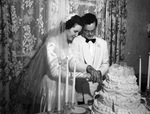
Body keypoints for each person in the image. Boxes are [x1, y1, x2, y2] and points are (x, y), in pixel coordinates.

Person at [9, 14, 88, 114]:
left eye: (78, 32)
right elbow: (54, 72)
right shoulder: (51, 43)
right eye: (75, 31)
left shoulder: (69, 44)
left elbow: (72, 62)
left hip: (67, 85)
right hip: (52, 87)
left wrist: (87, 69)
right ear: (66, 27)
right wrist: (81, 75)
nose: (77, 35)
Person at [70, 13, 109, 105]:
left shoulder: (103, 43)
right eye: (87, 31)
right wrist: (89, 68)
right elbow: (73, 63)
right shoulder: (75, 41)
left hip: (97, 88)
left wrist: (99, 73)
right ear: (82, 28)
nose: (90, 34)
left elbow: (105, 64)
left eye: (93, 30)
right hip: (80, 90)